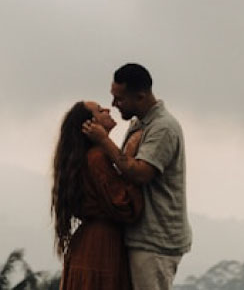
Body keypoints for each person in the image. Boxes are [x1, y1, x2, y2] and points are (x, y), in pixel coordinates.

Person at [83, 63, 192, 290]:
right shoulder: (140, 124)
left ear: (140, 96)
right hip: (143, 236)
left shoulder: (163, 128)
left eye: (119, 99)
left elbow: (140, 173)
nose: (113, 105)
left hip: (155, 240)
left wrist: (104, 141)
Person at [52, 100, 144, 289]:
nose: (107, 109)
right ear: (90, 124)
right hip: (101, 247)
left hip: (88, 244)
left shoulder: (88, 157)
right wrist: (132, 164)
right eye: (100, 110)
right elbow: (125, 207)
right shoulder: (97, 158)